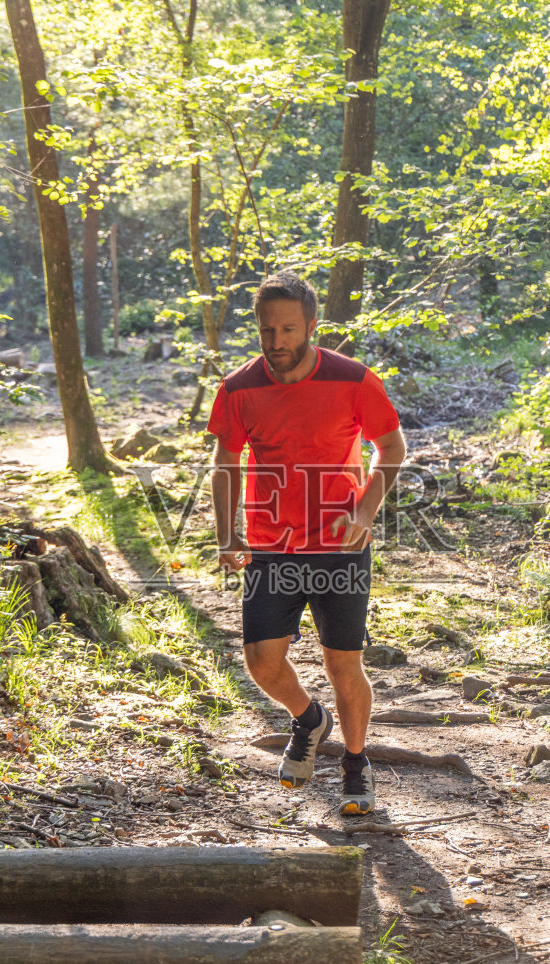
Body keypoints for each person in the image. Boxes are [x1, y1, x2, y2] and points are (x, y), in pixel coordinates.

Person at [207, 270, 406, 815]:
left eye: (288, 330)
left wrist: (366, 510)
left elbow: (391, 448)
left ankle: (356, 764)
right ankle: (309, 720)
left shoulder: (353, 380)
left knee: (344, 662)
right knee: (261, 662)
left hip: (340, 544)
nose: (276, 343)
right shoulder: (239, 388)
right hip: (271, 546)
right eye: (267, 330)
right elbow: (225, 463)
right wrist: (228, 533)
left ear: (312, 327)